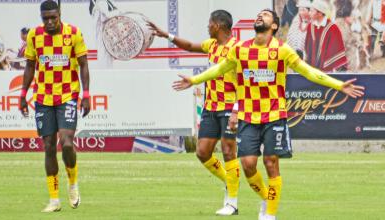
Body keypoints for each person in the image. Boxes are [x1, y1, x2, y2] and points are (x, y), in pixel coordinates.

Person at [172, 8, 365, 220]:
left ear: (274, 26)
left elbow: (309, 72)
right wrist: (194, 80)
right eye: (259, 14)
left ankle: (269, 215)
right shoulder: (241, 50)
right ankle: (266, 197)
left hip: (274, 116)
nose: (259, 16)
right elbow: (218, 69)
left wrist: (338, 85)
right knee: (247, 165)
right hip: (248, 117)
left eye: (265, 15)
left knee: (271, 163)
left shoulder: (282, 50)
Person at [148, 10, 240, 215]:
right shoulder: (212, 45)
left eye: (210, 23)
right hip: (211, 106)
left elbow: (245, 83)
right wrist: (167, 35)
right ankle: (230, 181)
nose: (207, 27)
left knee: (227, 151)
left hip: (229, 107)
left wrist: (236, 110)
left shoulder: (238, 49)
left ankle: (232, 203)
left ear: (218, 25)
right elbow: (189, 46)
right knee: (202, 152)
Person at [19, 0, 90, 213]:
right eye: (45, 18)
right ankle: (54, 200)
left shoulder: (74, 33)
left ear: (59, 15)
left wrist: (86, 94)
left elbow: (84, 64)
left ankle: (73, 182)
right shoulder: (34, 35)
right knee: (49, 146)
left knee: (67, 143)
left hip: (68, 94)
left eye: (53, 18)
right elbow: (30, 66)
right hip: (43, 97)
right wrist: (23, 94)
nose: (49, 22)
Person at [305, 0, 348, 72]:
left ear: (320, 13)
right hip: (313, 70)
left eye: (312, 11)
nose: (309, 13)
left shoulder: (333, 28)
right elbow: (308, 46)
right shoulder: (310, 26)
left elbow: (336, 49)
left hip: (329, 71)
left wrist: (326, 65)